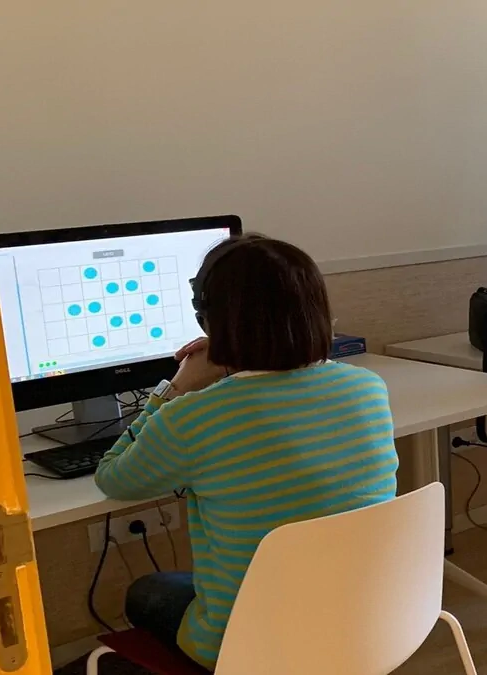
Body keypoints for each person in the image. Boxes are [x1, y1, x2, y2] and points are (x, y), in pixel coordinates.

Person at [94, 234, 398, 671]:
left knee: (147, 592)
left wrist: (175, 388)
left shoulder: (195, 416)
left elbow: (113, 476)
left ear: (209, 322)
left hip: (251, 642)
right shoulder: (367, 388)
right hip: (365, 620)